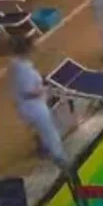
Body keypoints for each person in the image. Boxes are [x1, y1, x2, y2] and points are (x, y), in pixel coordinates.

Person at [7, 37, 68, 167]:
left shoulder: (15, 65)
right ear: (28, 50)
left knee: (48, 127)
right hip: (34, 107)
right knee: (51, 134)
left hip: (26, 106)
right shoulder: (24, 70)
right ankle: (61, 160)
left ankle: (43, 148)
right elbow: (30, 91)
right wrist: (47, 89)